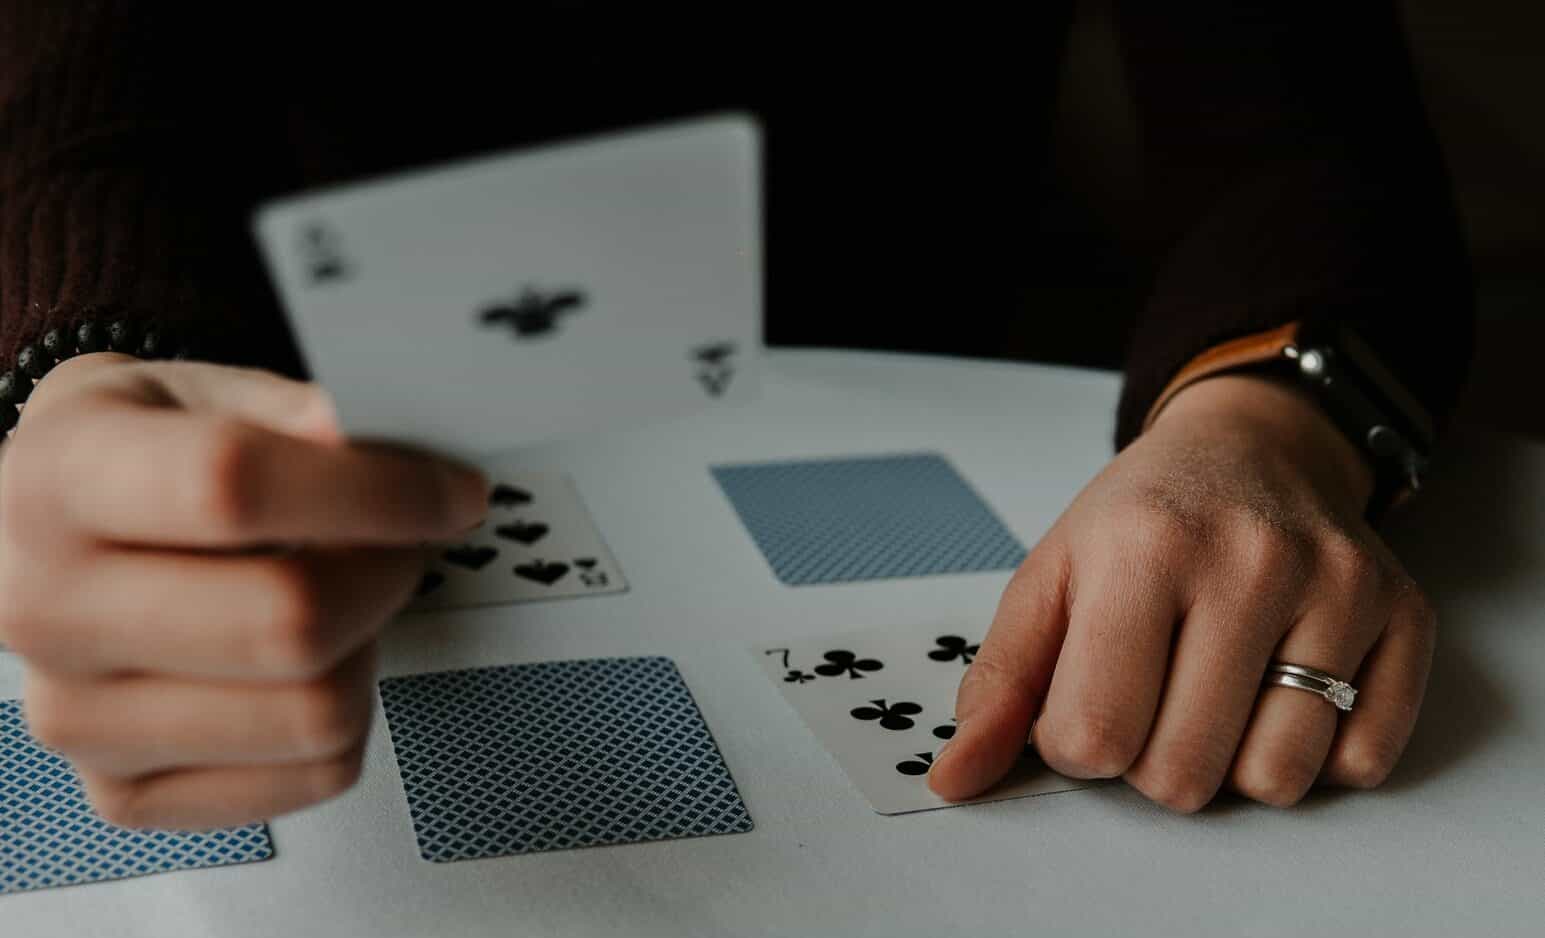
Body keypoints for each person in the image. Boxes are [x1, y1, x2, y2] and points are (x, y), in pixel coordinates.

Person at [0, 3, 1472, 829]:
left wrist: (1264, 426)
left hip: (899, 348)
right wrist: (81, 368)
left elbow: (1303, 133)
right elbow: (78, 105)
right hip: (300, 388)